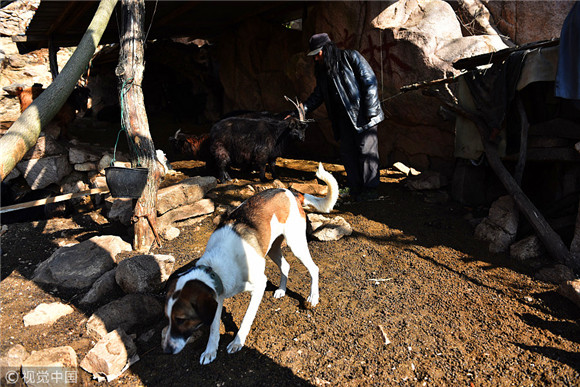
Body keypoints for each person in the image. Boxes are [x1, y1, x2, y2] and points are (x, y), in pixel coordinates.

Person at [302, 32, 384, 201]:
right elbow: (318, 95)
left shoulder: (351, 56)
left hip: (364, 116)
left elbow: (369, 81)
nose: (316, 59)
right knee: (347, 153)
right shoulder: (324, 71)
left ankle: (370, 190)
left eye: (317, 53)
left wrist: (369, 112)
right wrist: (300, 110)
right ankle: (355, 188)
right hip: (343, 120)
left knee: (367, 152)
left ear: (327, 49)